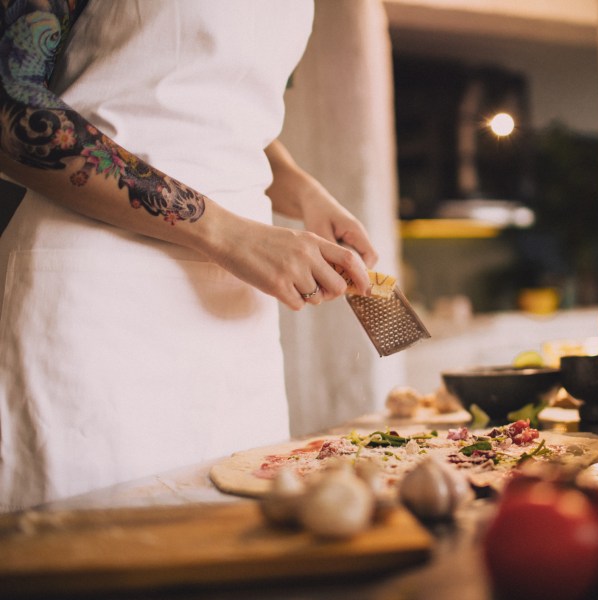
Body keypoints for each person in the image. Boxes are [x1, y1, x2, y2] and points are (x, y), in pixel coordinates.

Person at [0, 0, 378, 512]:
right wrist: (229, 235)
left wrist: (305, 192)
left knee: (238, 550)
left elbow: (216, 98)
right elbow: (11, 106)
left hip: (233, 313)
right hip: (101, 296)